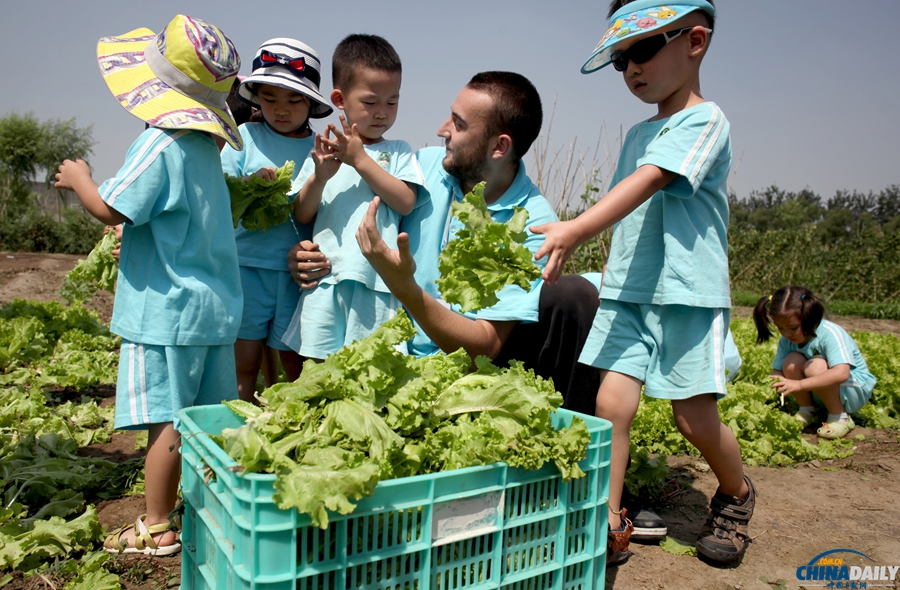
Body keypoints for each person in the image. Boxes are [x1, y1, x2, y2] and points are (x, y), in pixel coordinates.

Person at [528, 0, 755, 565]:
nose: (631, 68)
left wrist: (576, 228)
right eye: (621, 59)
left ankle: (736, 492)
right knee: (612, 405)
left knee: (692, 417)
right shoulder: (637, 132)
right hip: (629, 290)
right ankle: (606, 520)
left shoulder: (706, 121)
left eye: (644, 49)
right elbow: (628, 211)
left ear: (695, 42)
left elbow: (653, 181)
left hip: (685, 295)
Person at [54, 15, 244, 555]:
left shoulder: (159, 144)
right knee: (208, 422)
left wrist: (80, 179)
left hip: (166, 313)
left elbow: (111, 205)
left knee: (168, 420)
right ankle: (213, 510)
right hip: (214, 312)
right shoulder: (207, 150)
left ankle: (157, 526)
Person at [283, 34, 423, 359]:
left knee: (372, 373)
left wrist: (359, 159)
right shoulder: (323, 150)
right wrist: (320, 177)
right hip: (326, 278)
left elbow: (405, 201)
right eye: (371, 102)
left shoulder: (397, 151)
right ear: (340, 99)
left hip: (377, 282)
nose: (382, 112)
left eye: (392, 102)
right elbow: (302, 214)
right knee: (317, 371)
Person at [220, 39, 333, 400]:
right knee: (244, 364)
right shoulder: (244, 137)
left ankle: (291, 431)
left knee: (295, 368)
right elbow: (220, 193)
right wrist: (249, 185)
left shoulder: (320, 150)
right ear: (255, 98)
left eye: (293, 100)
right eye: (269, 98)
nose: (280, 110)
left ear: (312, 104)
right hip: (245, 270)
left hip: (298, 279)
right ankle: (239, 431)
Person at [754, 285, 875, 439]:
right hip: (822, 390)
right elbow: (777, 371)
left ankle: (840, 417)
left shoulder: (830, 333)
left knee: (815, 366)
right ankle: (807, 410)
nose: (786, 333)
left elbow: (842, 373)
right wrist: (772, 384)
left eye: (793, 327)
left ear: (809, 317)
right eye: (780, 328)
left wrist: (798, 385)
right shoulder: (786, 340)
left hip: (852, 391)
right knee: (792, 361)